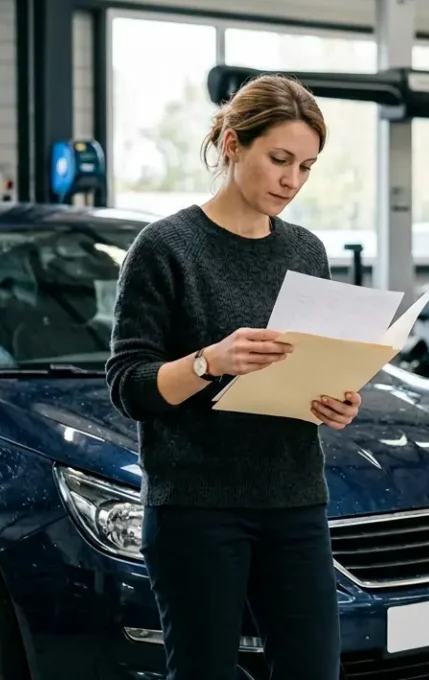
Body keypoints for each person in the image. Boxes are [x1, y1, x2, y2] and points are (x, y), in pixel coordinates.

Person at [105, 74, 359, 679]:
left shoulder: (306, 252)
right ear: (231, 143)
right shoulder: (165, 248)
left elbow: (309, 365)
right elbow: (129, 385)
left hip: (294, 500)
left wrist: (336, 399)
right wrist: (210, 362)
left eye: (306, 167)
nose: (292, 181)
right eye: (279, 159)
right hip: (197, 507)